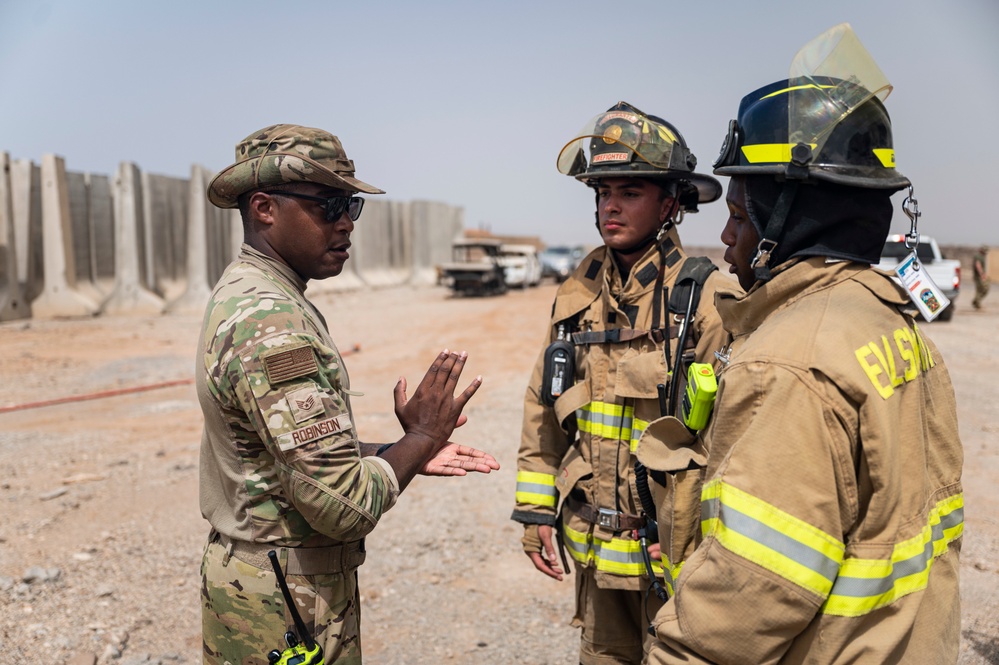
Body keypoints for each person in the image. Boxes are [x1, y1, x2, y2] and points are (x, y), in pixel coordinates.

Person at [644, 24, 964, 663]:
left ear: (789, 219)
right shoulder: (886, 321)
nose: (728, 237)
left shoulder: (788, 360)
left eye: (740, 213)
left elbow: (752, 590)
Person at [198, 123, 499, 664]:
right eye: (329, 205)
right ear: (265, 208)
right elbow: (343, 507)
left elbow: (282, 452)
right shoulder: (272, 322)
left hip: (265, 585)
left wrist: (401, 452)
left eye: (351, 208)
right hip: (283, 600)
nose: (345, 225)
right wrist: (424, 435)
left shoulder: (250, 293)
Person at [512, 102, 734, 664]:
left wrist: (708, 547)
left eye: (629, 191)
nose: (609, 205)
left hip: (677, 560)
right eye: (601, 191)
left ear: (670, 203)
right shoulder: (576, 296)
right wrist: (538, 511)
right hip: (596, 556)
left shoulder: (705, 301)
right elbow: (545, 409)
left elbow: (732, 443)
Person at [973, 244, 990, 309]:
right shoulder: (978, 256)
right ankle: (976, 302)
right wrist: (982, 275)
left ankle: (976, 302)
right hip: (979, 277)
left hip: (979, 276)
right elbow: (978, 266)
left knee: (980, 290)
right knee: (983, 289)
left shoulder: (981, 256)